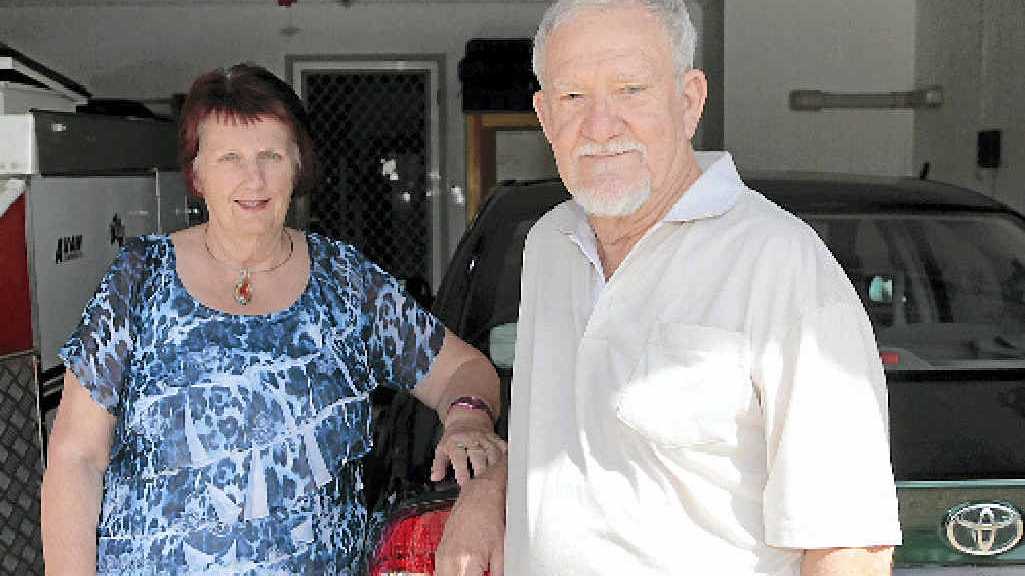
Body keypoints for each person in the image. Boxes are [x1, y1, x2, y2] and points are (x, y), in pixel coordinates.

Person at [41, 63, 505, 576]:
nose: (253, 178)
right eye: (229, 157)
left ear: (298, 165)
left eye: (270, 155)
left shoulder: (348, 283)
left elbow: (465, 369)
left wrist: (466, 418)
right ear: (197, 174)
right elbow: (76, 459)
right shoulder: (140, 279)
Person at [505, 1, 902, 574]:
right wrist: (488, 487)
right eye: (573, 97)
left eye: (631, 90)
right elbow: (567, 445)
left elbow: (851, 544)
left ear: (689, 101)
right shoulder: (548, 245)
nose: (599, 125)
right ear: (544, 117)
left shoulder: (781, 263)